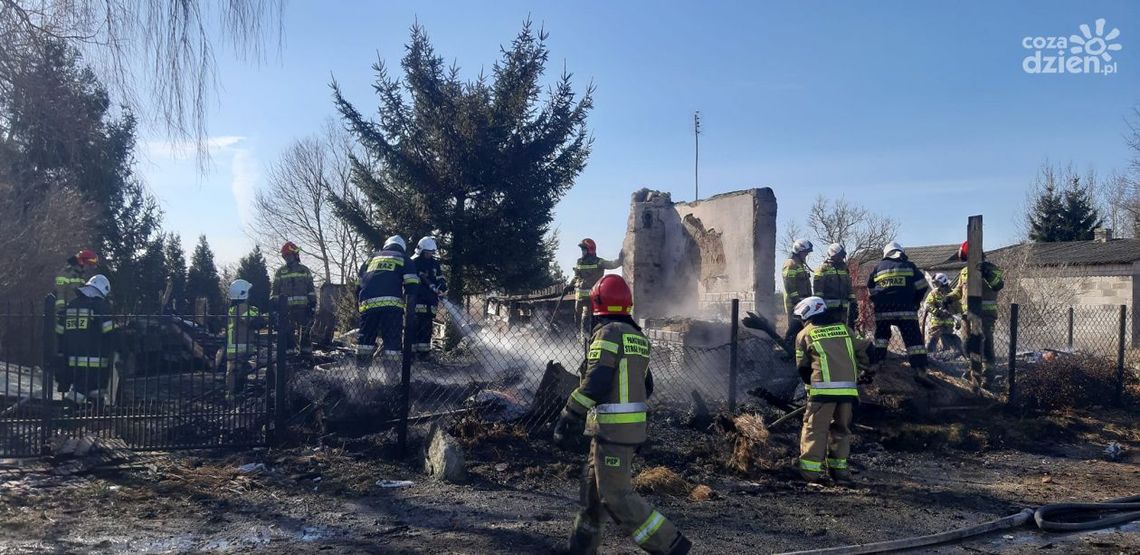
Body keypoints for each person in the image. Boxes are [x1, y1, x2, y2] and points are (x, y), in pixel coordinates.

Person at [554, 275, 691, 555]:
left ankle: (671, 545)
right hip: (620, 430)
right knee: (592, 496)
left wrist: (571, 411)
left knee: (616, 496)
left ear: (597, 303)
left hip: (613, 431)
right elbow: (647, 386)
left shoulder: (608, 333)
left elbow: (597, 380)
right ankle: (580, 549)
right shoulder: (637, 336)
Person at [792, 296, 870, 483]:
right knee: (841, 430)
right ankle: (840, 473)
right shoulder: (845, 330)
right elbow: (864, 351)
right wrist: (864, 370)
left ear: (808, 314)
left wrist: (810, 388)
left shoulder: (805, 334)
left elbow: (803, 368)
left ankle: (809, 473)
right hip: (848, 393)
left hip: (822, 393)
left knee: (815, 430)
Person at [866, 242, 930, 376]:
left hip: (883, 311)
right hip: (906, 310)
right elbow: (923, 285)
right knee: (913, 340)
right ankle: (919, 368)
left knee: (881, 337)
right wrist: (915, 301)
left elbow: (870, 288)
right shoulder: (909, 266)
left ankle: (878, 362)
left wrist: (878, 301)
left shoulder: (878, 267)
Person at [356, 236, 420, 367]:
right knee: (392, 342)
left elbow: (358, 285)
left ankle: (361, 372)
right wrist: (410, 310)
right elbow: (412, 285)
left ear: (386, 246)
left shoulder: (371, 258)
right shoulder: (403, 258)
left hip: (368, 306)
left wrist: (360, 303)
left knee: (365, 341)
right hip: (391, 307)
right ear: (402, 248)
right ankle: (391, 374)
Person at [56, 274, 117, 402]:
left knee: (94, 394)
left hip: (72, 362)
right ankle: (65, 411)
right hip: (94, 364)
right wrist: (123, 346)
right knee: (81, 392)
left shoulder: (71, 306)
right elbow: (111, 332)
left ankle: (91, 412)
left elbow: (59, 332)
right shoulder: (99, 306)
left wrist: (61, 352)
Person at [954, 241, 1005, 388]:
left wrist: (987, 273)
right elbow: (958, 290)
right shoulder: (964, 271)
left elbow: (998, 285)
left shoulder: (992, 268)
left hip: (986, 315)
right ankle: (973, 371)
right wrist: (949, 298)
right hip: (968, 316)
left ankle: (988, 377)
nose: (968, 262)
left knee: (986, 344)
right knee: (966, 344)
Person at [564, 238, 623, 341]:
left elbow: (612, 264)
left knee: (586, 318)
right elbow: (577, 276)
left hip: (592, 297)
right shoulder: (579, 262)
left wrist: (620, 260)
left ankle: (586, 340)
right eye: (582, 250)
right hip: (579, 298)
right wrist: (569, 285)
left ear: (590, 250)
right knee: (577, 319)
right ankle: (580, 340)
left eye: (584, 249)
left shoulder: (599, 262)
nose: (582, 252)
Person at [224, 279, 266, 401]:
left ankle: (235, 395)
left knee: (237, 373)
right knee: (236, 373)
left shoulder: (235, 308)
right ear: (243, 293)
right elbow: (255, 322)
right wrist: (266, 319)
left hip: (237, 347)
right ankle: (233, 397)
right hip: (239, 347)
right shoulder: (241, 308)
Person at [272, 241, 317, 355]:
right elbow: (275, 291)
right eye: (285, 256)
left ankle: (306, 354)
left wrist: (312, 304)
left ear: (295, 255)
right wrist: (275, 306)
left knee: (306, 331)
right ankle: (289, 355)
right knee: (287, 332)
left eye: (289, 255)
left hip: (303, 307)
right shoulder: (280, 272)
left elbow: (311, 289)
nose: (287, 258)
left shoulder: (304, 270)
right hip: (286, 309)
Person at [411, 236, 448, 359]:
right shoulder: (414, 262)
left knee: (427, 328)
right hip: (417, 300)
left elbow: (440, 277)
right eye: (427, 252)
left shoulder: (434, 263)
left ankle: (424, 355)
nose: (429, 255)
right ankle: (410, 355)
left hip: (430, 302)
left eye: (431, 252)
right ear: (421, 250)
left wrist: (442, 285)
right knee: (414, 327)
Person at [812, 243, 856, 328]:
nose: (841, 258)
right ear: (832, 255)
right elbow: (818, 291)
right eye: (839, 255)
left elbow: (849, 286)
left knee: (845, 329)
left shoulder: (844, 268)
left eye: (842, 256)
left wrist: (853, 301)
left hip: (844, 308)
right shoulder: (822, 269)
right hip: (828, 309)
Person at [781, 239, 814, 352]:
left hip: (803, 302)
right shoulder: (790, 264)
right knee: (794, 329)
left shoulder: (799, 264)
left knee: (801, 329)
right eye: (805, 252)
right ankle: (787, 352)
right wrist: (797, 301)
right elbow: (789, 285)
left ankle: (799, 352)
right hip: (795, 304)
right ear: (798, 251)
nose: (806, 254)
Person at [923, 273, 965, 359]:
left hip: (948, 325)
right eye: (935, 283)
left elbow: (958, 309)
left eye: (937, 283)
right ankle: (928, 357)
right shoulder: (934, 293)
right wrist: (937, 312)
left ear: (943, 281)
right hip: (937, 324)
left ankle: (946, 359)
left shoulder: (953, 294)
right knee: (932, 340)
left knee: (947, 343)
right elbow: (927, 305)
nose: (936, 285)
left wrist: (958, 322)